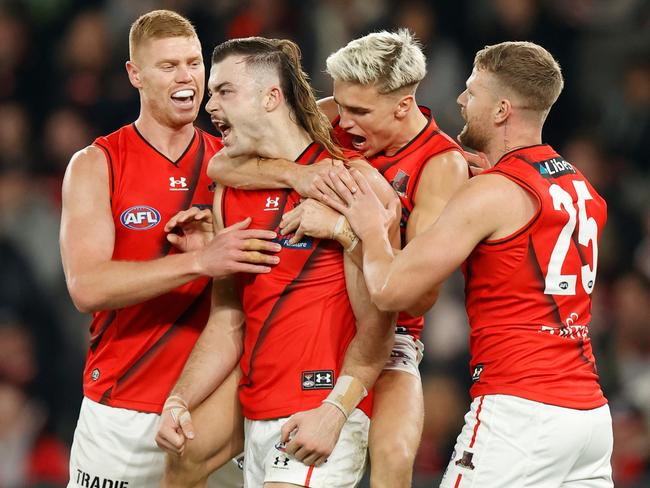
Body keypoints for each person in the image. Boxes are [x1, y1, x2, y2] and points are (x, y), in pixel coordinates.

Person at [323, 41, 613, 488]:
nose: (460, 100)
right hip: (589, 417)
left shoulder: (492, 192)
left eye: (471, 91)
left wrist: (363, 225)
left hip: (519, 410)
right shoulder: (581, 188)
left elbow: (391, 290)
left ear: (500, 110)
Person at [208, 30, 469, 487]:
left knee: (393, 457)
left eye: (359, 112)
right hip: (304, 318)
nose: (341, 122)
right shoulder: (337, 114)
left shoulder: (440, 164)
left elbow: (418, 296)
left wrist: (348, 229)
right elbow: (221, 165)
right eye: (340, 105)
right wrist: (298, 174)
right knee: (191, 452)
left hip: (383, 330)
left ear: (403, 106)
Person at [155, 36, 400, 488]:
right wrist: (179, 400)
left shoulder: (351, 184)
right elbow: (228, 320)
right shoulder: (232, 189)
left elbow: (380, 323)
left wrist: (335, 411)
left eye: (224, 91)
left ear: (271, 97)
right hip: (255, 409)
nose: (210, 105)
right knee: (180, 458)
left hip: (316, 410)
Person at [60, 10, 280, 488]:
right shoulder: (97, 164)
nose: (186, 78)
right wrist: (200, 260)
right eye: (168, 66)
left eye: (194, 63)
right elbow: (86, 286)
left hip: (211, 413)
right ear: (134, 75)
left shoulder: (233, 165)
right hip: (121, 406)